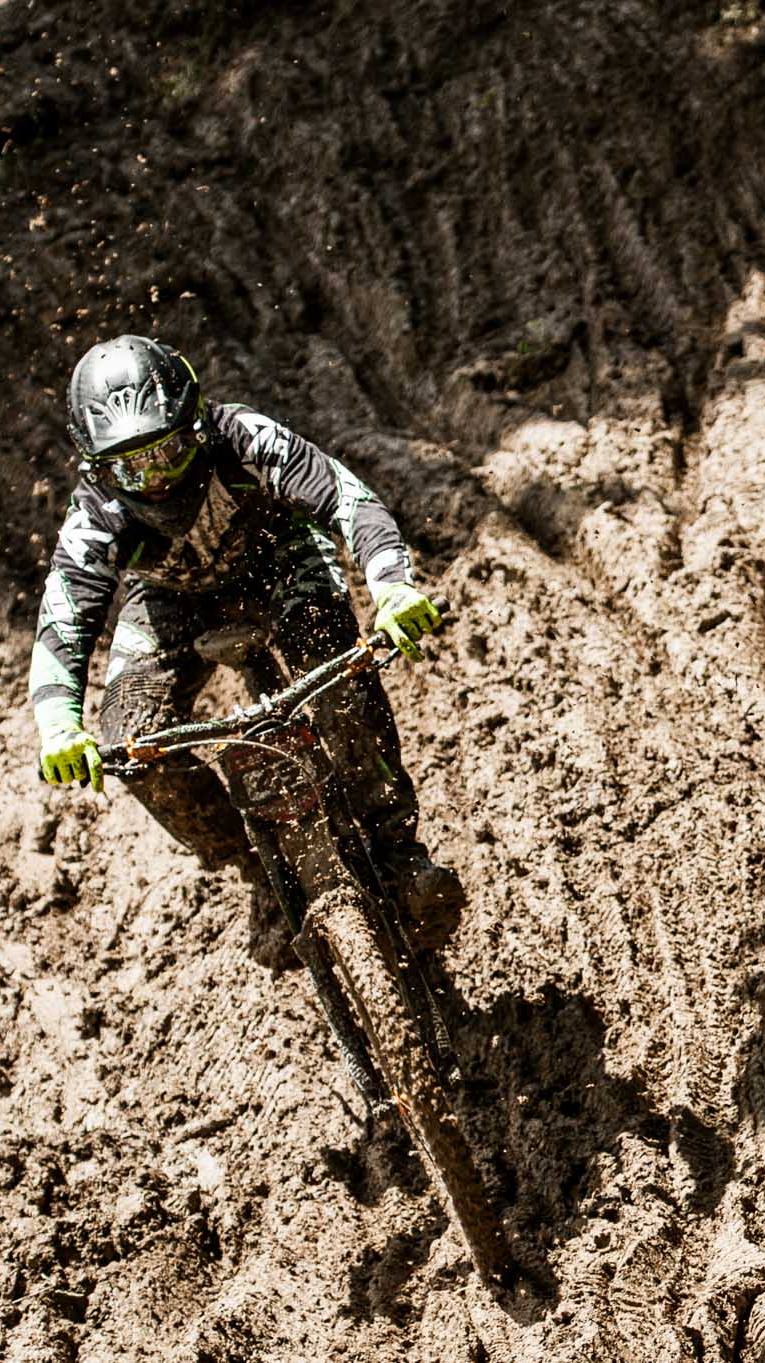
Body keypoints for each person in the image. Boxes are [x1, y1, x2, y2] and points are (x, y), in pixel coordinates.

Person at [29, 334, 463, 967]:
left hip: (279, 564)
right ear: (96, 467)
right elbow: (63, 618)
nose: (155, 480)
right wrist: (56, 724)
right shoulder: (96, 512)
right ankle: (262, 867)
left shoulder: (242, 437)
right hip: (171, 602)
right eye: (131, 468)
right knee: (129, 742)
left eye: (169, 452)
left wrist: (393, 589)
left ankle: (398, 853)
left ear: (196, 423)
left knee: (340, 670)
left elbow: (348, 498)